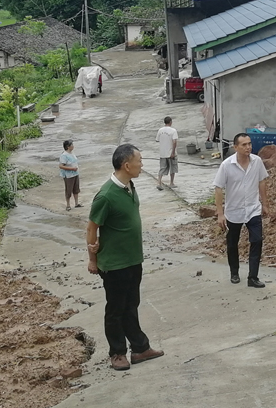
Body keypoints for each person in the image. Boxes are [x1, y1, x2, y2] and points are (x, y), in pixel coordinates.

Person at [86, 143, 164, 371]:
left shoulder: (129, 186)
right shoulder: (106, 196)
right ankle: (117, 353)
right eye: (139, 160)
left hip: (133, 260)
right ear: (126, 165)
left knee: (131, 305)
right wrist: (93, 260)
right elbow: (91, 229)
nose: (142, 164)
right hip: (114, 264)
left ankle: (140, 348)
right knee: (116, 310)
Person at [213, 133, 270, 288]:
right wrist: (220, 214)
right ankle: (234, 272)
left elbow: (262, 182)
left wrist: (264, 204)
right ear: (235, 147)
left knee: (257, 240)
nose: (248, 147)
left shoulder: (257, 162)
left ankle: (253, 277)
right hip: (234, 211)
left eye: (249, 144)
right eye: (244, 145)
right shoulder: (226, 165)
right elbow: (218, 188)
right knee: (232, 243)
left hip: (253, 209)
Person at [156, 116, 178, 190]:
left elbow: (157, 140)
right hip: (170, 153)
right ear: (170, 122)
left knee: (162, 168)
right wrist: (173, 152)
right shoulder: (173, 130)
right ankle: (171, 183)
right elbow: (174, 142)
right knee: (173, 168)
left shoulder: (160, 130)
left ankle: (159, 183)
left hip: (162, 153)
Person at [59, 139, 81, 211]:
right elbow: (61, 166)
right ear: (68, 147)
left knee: (76, 189)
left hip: (75, 174)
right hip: (68, 176)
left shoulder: (72, 153)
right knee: (68, 190)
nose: (73, 146)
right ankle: (68, 205)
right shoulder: (64, 155)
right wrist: (71, 169)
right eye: (72, 145)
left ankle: (76, 203)